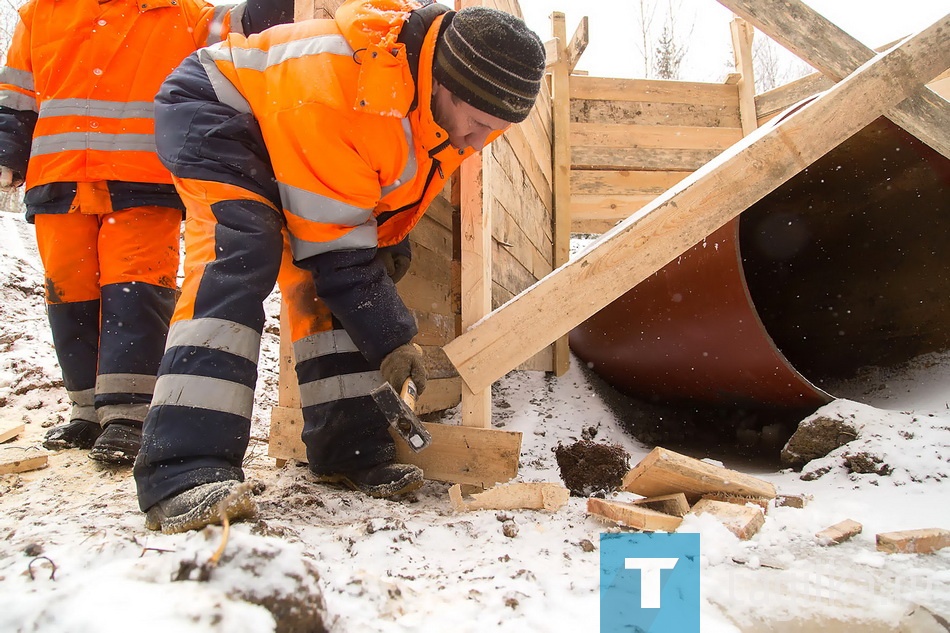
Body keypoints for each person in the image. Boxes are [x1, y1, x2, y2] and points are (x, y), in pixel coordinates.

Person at [134, 0, 546, 534]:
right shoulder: (353, 88)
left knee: (328, 285)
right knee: (241, 253)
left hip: (299, 138)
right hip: (222, 111)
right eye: (478, 124)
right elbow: (338, 251)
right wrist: (394, 338)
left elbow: (363, 209)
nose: (477, 142)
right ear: (446, 83)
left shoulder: (436, 108)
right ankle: (182, 469)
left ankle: (347, 448)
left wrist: (384, 249)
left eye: (496, 131)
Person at [0, 0, 294, 465]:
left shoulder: (181, 13)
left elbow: (243, 26)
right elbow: (15, 96)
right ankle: (86, 410)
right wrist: (8, 153)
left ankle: (129, 414)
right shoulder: (41, 12)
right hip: (58, 175)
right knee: (68, 291)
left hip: (141, 176)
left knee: (136, 284)